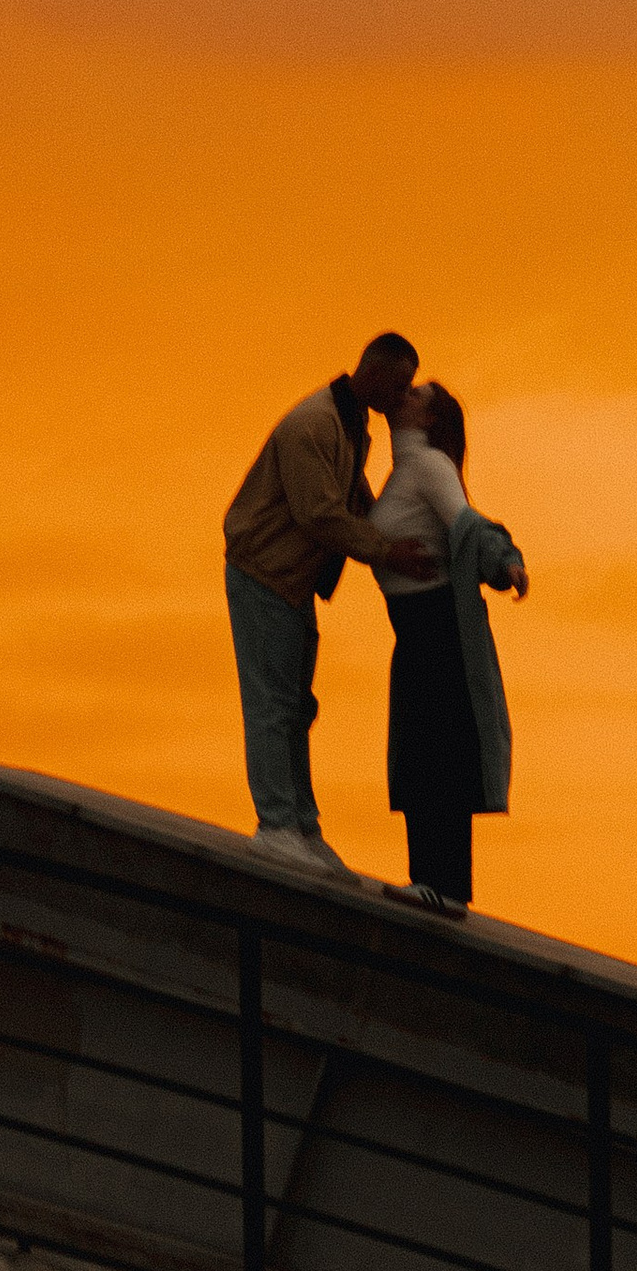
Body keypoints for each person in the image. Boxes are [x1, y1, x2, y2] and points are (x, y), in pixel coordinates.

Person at [222, 337, 431, 872]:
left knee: (296, 706)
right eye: (402, 386)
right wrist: (386, 550)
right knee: (272, 705)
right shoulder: (314, 426)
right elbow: (319, 514)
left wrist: (391, 522)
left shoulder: (347, 421)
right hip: (264, 576)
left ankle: (302, 824)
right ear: (379, 377)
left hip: (290, 582)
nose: (404, 396)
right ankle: (276, 824)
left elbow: (350, 496)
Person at [364, 379, 527, 908]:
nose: (403, 395)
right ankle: (431, 883)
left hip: (438, 626)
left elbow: (468, 523)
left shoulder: (431, 467)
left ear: (429, 420)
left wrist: (504, 560)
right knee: (420, 750)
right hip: (412, 629)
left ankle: (446, 887)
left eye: (414, 395)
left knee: (438, 750)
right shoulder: (402, 473)